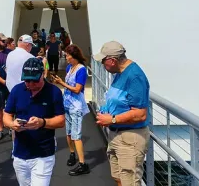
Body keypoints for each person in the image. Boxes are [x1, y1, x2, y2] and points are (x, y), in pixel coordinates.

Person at [94, 41, 151, 186]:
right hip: (117, 135)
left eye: (103, 61)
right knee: (118, 177)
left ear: (112, 60)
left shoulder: (134, 77)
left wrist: (112, 119)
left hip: (130, 138)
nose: (101, 64)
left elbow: (140, 114)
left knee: (130, 182)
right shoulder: (120, 73)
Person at [4, 58, 65, 186]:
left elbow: (61, 121)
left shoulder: (54, 92)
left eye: (34, 80)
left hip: (43, 154)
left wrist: (42, 123)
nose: (30, 84)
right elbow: (7, 115)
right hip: (20, 153)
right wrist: (12, 124)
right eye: (27, 80)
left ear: (43, 74)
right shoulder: (16, 90)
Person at [52, 44, 90, 176]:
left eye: (67, 55)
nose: (66, 57)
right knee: (68, 133)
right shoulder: (70, 67)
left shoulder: (81, 70)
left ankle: (82, 164)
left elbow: (78, 89)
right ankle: (72, 153)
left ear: (73, 56)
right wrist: (61, 82)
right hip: (67, 104)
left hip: (76, 106)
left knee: (76, 135)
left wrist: (62, 83)